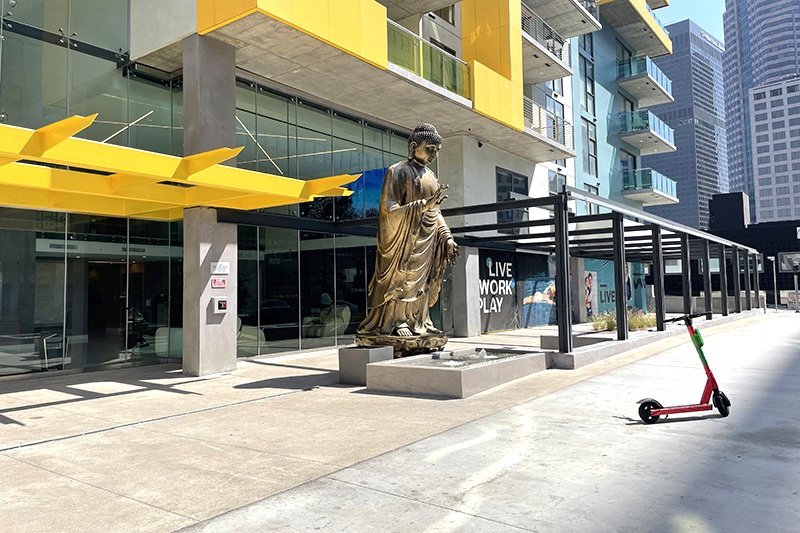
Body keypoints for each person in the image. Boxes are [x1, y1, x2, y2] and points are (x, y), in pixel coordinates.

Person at [357, 123, 459, 341]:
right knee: (402, 279)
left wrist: (447, 237)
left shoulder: (431, 176)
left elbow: (436, 212)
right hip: (403, 240)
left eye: (437, 150)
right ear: (413, 147)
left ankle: (419, 320)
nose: (434, 154)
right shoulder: (397, 171)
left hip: (426, 239)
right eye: (430, 148)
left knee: (421, 283)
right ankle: (396, 320)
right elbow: (388, 210)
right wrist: (422, 205)